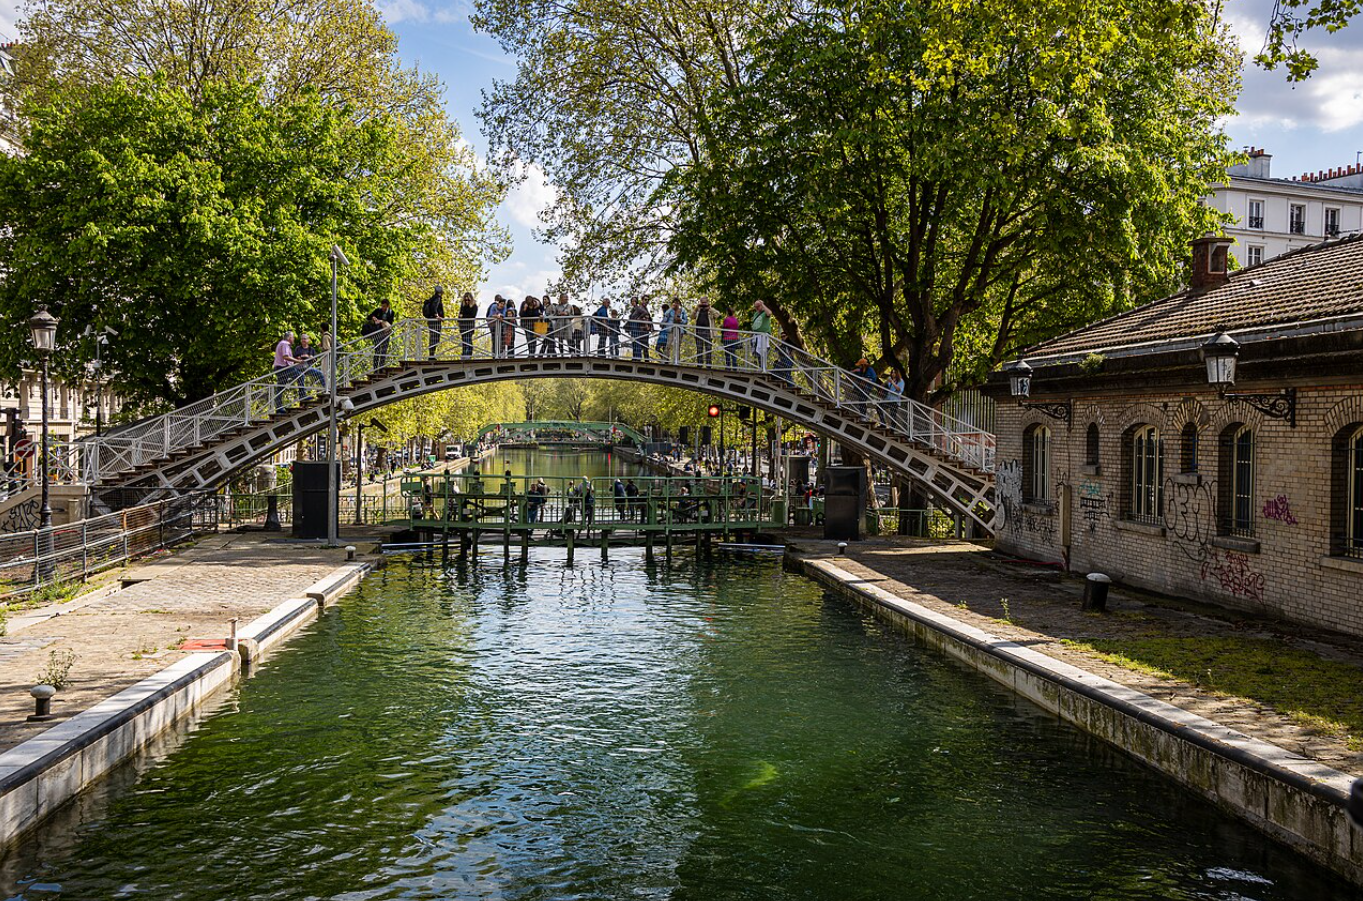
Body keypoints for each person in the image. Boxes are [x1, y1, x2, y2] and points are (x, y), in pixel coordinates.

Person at [272, 330, 300, 413]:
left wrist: (294, 361)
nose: (294, 339)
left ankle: (279, 408)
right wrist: (298, 361)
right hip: (283, 368)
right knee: (300, 375)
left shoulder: (282, 343)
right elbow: (285, 356)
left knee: (280, 388)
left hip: (280, 368)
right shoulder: (285, 344)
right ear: (289, 338)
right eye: (293, 337)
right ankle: (303, 396)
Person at [365, 299, 395, 368]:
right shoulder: (378, 311)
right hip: (378, 333)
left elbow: (390, 323)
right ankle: (375, 369)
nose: (383, 308)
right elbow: (368, 317)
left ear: (388, 306)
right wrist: (373, 317)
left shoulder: (391, 312)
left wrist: (381, 321)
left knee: (383, 352)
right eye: (382, 306)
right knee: (377, 350)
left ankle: (381, 368)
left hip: (386, 333)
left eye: (384, 306)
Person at [659, 299, 687, 363]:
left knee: (677, 346)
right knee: (668, 345)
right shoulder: (670, 311)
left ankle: (676, 361)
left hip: (679, 330)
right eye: (674, 303)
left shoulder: (683, 311)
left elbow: (686, 321)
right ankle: (665, 360)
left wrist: (681, 320)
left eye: (677, 303)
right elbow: (665, 316)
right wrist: (671, 308)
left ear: (680, 304)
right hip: (671, 330)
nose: (676, 304)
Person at [422, 285, 445, 359]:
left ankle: (431, 355)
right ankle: (431, 356)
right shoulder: (437, 298)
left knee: (433, 337)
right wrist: (437, 316)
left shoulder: (432, 298)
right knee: (435, 338)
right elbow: (434, 307)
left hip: (431, 320)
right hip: (435, 321)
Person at [750, 300, 773, 370]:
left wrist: (762, 305)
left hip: (762, 337)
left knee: (762, 352)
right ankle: (759, 367)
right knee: (756, 353)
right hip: (756, 336)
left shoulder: (765, 312)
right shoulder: (755, 314)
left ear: (762, 305)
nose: (756, 308)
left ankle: (763, 368)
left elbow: (769, 313)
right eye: (755, 306)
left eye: (758, 306)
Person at [694, 297, 714, 367]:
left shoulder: (710, 310)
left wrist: (710, 308)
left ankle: (708, 366)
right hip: (698, 331)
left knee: (708, 349)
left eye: (705, 302)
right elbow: (691, 316)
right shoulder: (698, 310)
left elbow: (718, 315)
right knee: (699, 349)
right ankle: (699, 365)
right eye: (702, 302)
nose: (703, 304)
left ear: (707, 302)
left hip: (708, 331)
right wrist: (696, 309)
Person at [458, 291, 479, 357]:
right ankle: (464, 354)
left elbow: (472, 315)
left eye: (468, 300)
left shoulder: (474, 306)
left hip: (469, 326)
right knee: (464, 341)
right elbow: (460, 315)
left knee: (468, 340)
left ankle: (468, 355)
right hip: (463, 326)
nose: (467, 301)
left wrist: (463, 316)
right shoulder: (463, 305)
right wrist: (462, 316)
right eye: (465, 299)